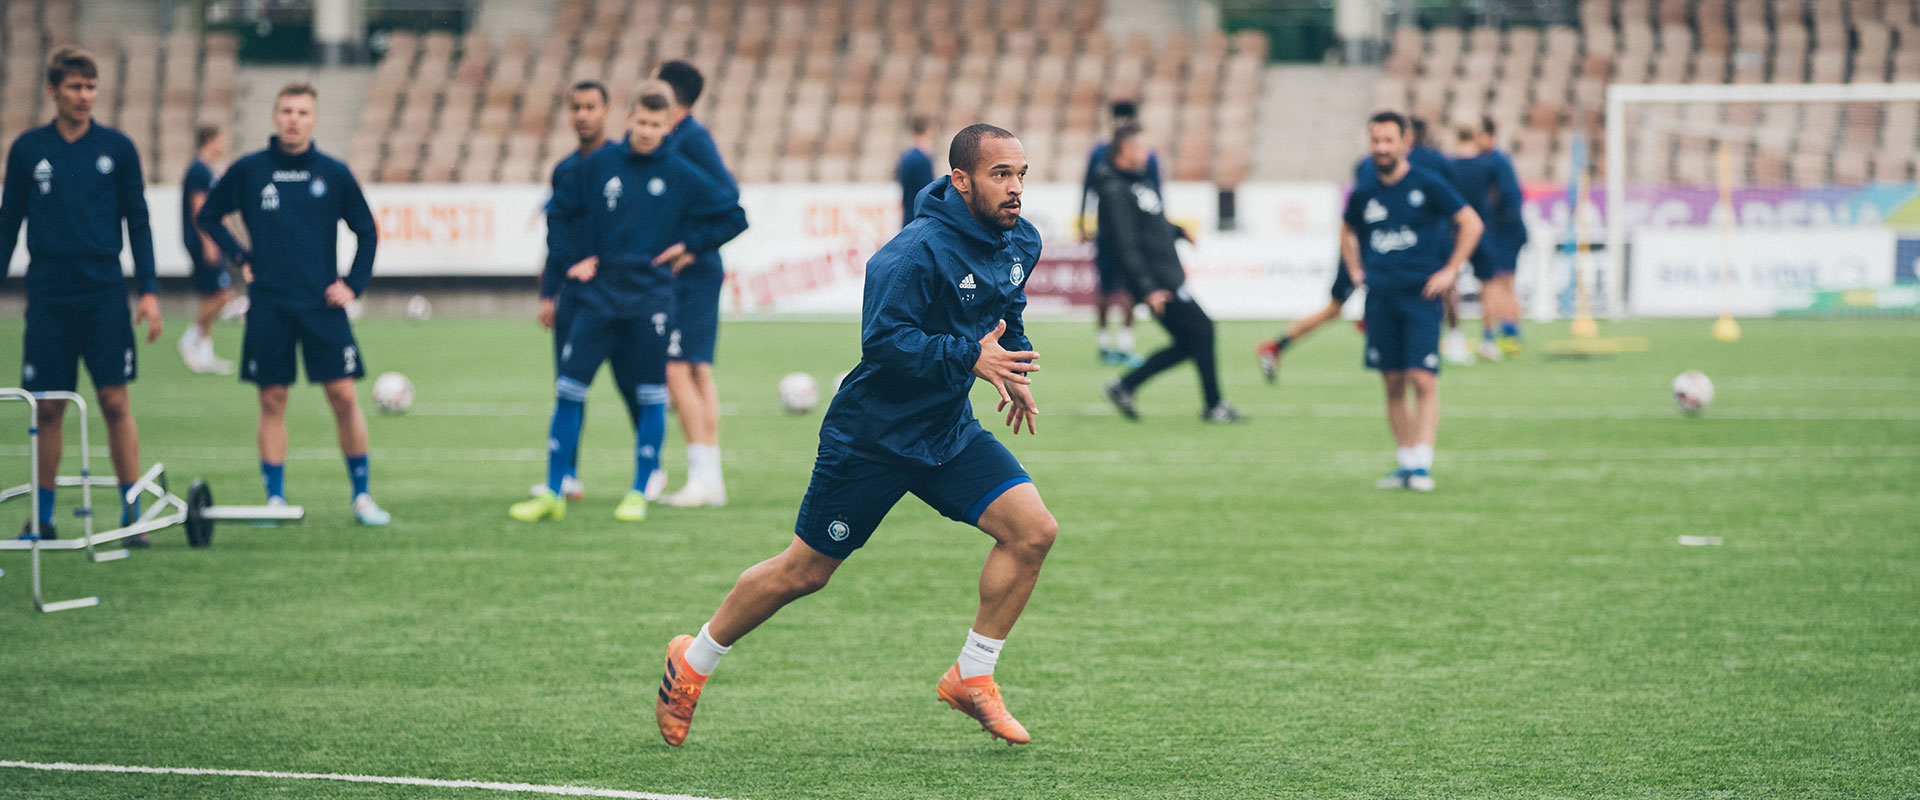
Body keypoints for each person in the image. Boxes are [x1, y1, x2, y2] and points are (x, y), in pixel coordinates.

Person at [651, 123, 1057, 748]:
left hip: (946, 431)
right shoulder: (910, 253)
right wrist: (971, 359)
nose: (1015, 189)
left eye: (1021, 174)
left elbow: (1007, 310)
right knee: (804, 572)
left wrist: (1014, 362)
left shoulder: (1019, 240)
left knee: (1033, 532)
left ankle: (972, 676)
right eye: (1001, 175)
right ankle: (694, 658)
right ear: (960, 180)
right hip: (874, 436)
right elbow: (886, 343)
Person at [510, 81, 746, 524]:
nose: (647, 131)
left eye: (657, 124)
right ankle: (554, 491)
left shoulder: (680, 172)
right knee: (569, 390)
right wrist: (570, 261)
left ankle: (639, 490)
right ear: (628, 119)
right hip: (597, 298)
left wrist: (691, 246)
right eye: (641, 122)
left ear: (666, 127)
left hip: (651, 299)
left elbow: (734, 214)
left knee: (652, 395)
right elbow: (559, 213)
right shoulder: (599, 164)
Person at [195, 83, 390, 524]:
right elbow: (208, 214)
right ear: (274, 116)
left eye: (302, 112)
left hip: (322, 305)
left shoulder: (334, 173)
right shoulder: (249, 170)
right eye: (286, 110)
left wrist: (353, 284)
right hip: (269, 305)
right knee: (272, 401)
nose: (293, 119)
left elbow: (367, 230)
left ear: (314, 119)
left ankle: (362, 497)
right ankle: (275, 500)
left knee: (343, 397)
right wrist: (241, 256)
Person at [2, 46, 161, 541]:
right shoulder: (29, 150)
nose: (84, 96)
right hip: (49, 295)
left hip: (104, 294)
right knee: (48, 406)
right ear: (53, 91)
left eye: (91, 87)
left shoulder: (118, 149)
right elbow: (9, 224)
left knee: (115, 402)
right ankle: (43, 518)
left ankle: (132, 515)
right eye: (75, 87)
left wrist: (150, 291)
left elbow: (139, 222)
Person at [1341, 111, 1482, 492]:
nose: (1382, 148)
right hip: (1380, 297)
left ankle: (1423, 462)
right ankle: (1405, 462)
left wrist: (1451, 269)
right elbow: (1348, 229)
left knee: (1423, 379)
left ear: (1405, 143)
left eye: (1389, 141)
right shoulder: (1365, 191)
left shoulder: (1428, 183)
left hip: (1421, 296)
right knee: (1391, 383)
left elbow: (1472, 223)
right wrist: (1355, 269)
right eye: (1376, 141)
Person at [532, 79, 647, 503]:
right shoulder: (564, 170)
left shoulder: (625, 164)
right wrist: (549, 292)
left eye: (590, 107)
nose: (582, 114)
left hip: (622, 295)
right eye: (575, 107)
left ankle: (649, 469)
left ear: (607, 112)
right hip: (576, 297)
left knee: (633, 382)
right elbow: (555, 232)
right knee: (569, 385)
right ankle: (569, 475)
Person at [1096, 123, 1237, 423]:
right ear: (1126, 151)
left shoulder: (1138, 183)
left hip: (1166, 276)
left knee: (1191, 342)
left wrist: (1177, 231)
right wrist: (1147, 289)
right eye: (1142, 148)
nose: (1148, 154)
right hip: (1158, 282)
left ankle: (1125, 386)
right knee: (1203, 330)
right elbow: (1126, 244)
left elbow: (1150, 226)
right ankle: (1214, 405)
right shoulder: (1114, 191)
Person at [654, 60, 738, 509]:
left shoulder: (689, 138)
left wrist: (691, 243)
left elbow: (728, 200)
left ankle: (701, 478)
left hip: (693, 272)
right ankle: (711, 479)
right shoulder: (685, 137)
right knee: (697, 371)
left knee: (676, 370)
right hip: (700, 271)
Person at [1079, 100, 1164, 367]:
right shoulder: (1099, 153)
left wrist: (1158, 230)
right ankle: (1104, 344)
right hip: (1106, 232)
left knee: (1130, 291)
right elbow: (1087, 189)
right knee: (1105, 290)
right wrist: (1084, 221)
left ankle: (1126, 345)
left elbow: (1156, 195)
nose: (1122, 124)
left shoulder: (1147, 156)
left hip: (1136, 234)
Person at [1450, 116, 1528, 360]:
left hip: (1504, 231)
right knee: (1503, 283)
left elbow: (1505, 196)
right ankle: (1509, 335)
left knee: (1499, 283)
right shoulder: (1492, 161)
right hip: (1500, 230)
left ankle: (1503, 336)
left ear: (1488, 136)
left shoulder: (1495, 161)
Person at [178, 124, 235, 375]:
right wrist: (209, 242)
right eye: (221, 140)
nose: (224, 146)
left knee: (210, 296)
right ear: (210, 141)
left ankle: (204, 353)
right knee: (224, 295)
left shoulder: (208, 170)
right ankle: (189, 339)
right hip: (205, 240)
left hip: (210, 239)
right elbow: (199, 209)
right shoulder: (198, 171)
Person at [895, 114, 935, 228]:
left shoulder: (906, 156)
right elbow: (928, 190)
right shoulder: (922, 158)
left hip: (908, 213)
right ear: (928, 130)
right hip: (919, 216)